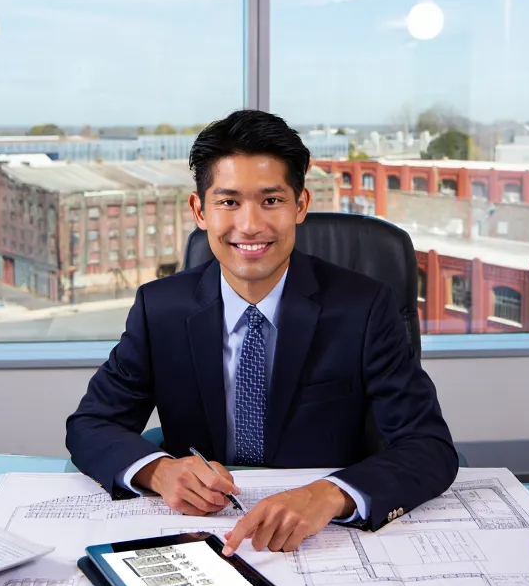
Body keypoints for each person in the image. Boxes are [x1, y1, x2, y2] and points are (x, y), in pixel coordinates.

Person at [65, 109, 457, 555]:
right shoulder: (161, 308)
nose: (250, 225)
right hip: (202, 531)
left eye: (271, 201)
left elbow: (429, 447)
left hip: (325, 534)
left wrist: (326, 496)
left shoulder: (363, 307)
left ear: (301, 205)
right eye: (228, 202)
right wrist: (159, 471)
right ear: (200, 210)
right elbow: (92, 423)